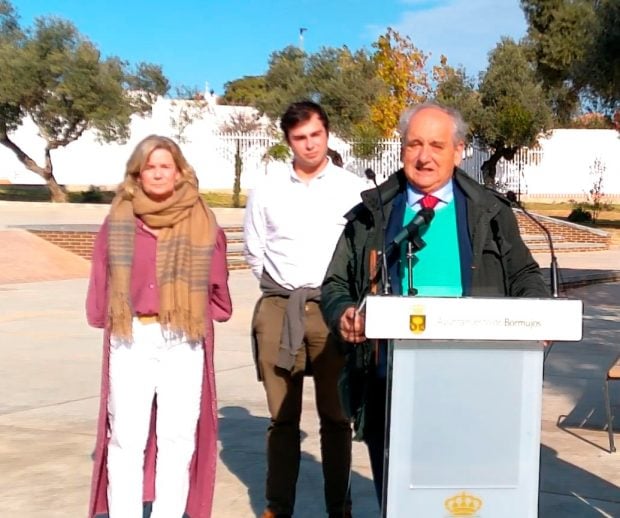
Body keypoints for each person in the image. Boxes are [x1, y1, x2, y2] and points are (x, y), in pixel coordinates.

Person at [320, 102, 549, 504]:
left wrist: (538, 319)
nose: (424, 157)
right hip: (389, 386)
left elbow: (526, 277)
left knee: (462, 500)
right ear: (402, 149)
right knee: (401, 502)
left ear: (459, 150)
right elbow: (336, 283)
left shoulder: (491, 214)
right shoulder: (372, 215)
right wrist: (343, 313)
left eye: (436, 145)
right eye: (414, 145)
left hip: (477, 386)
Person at [86, 135, 232, 518]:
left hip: (183, 338)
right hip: (132, 335)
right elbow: (102, 271)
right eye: (149, 166)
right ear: (137, 171)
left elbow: (218, 275)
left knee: (177, 439)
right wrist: (102, 314)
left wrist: (213, 307)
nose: (157, 173)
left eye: (165, 165)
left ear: (179, 170)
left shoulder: (201, 218)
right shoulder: (119, 217)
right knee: (126, 438)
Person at [244, 101, 368, 518]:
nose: (309, 144)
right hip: (281, 308)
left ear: (327, 134)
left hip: (333, 310)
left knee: (336, 418)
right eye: (300, 138)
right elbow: (254, 250)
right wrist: (281, 292)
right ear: (288, 142)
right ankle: (278, 507)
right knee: (282, 418)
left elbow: (360, 252)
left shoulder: (352, 190)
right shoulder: (267, 189)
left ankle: (340, 507)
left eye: (316, 135)